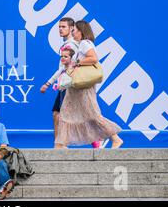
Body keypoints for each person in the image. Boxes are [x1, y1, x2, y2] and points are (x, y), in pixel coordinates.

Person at [55, 20, 124, 149]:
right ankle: (61, 144)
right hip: (76, 88)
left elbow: (93, 58)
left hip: (83, 88)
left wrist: (77, 62)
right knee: (66, 113)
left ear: (81, 31)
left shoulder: (85, 43)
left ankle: (115, 138)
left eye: (74, 30)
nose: (72, 32)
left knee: (92, 115)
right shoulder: (82, 44)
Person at [40, 17, 78, 141]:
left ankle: (60, 144)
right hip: (65, 85)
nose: (60, 29)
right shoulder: (68, 45)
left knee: (76, 116)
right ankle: (59, 144)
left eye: (64, 27)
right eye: (59, 27)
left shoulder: (70, 46)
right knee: (57, 113)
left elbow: (63, 69)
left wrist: (48, 83)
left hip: (68, 85)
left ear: (71, 28)